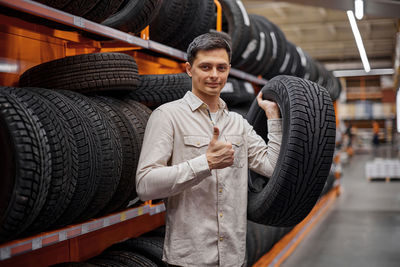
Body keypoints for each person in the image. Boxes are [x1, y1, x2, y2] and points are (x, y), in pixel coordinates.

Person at [136, 32, 282, 267]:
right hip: (189, 260)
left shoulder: (238, 123)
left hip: (233, 258)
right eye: (206, 67)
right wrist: (206, 163)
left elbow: (272, 167)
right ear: (189, 69)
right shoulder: (167, 116)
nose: (215, 75)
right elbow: (145, 185)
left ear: (229, 70)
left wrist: (273, 118)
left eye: (221, 68)